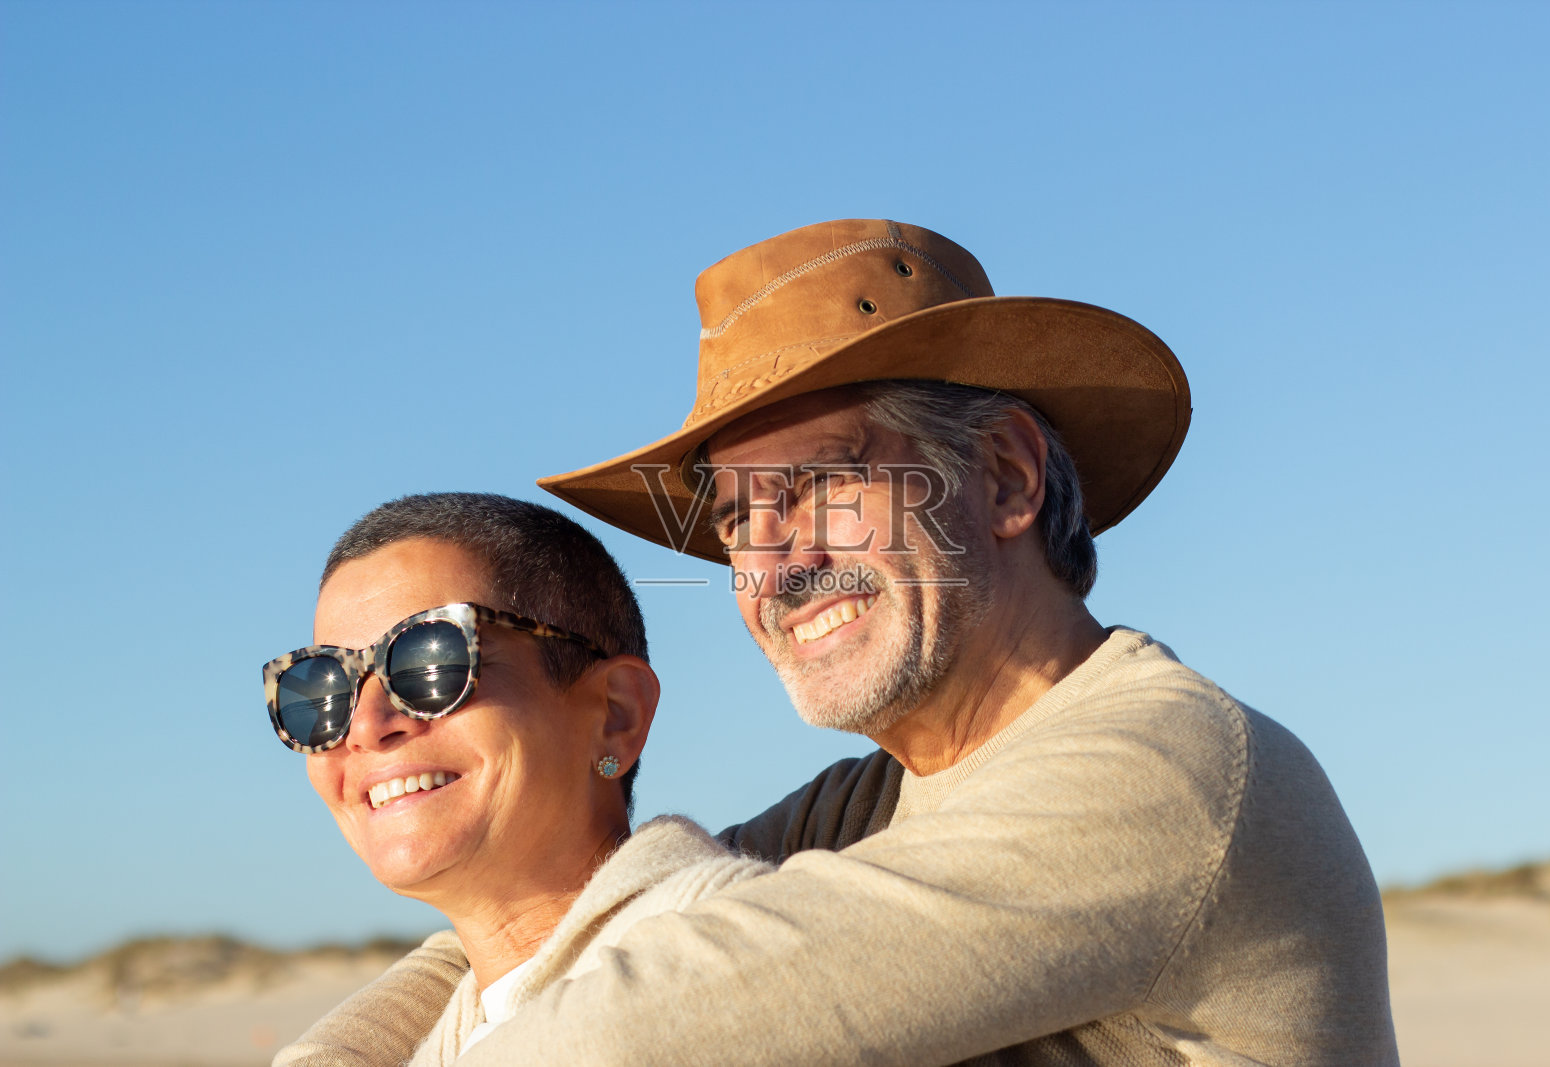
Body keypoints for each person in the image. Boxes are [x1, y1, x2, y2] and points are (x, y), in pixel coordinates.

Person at [278, 220, 1399, 1064]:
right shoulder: (875, 805)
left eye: (815, 488)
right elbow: (563, 916)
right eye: (734, 521)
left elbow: (629, 1027)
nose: (770, 567)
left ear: (1005, 477)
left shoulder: (1161, 771)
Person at [265, 493, 770, 1066]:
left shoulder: (752, 973)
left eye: (430, 664)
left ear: (615, 714)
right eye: (322, 692)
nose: (363, 726)